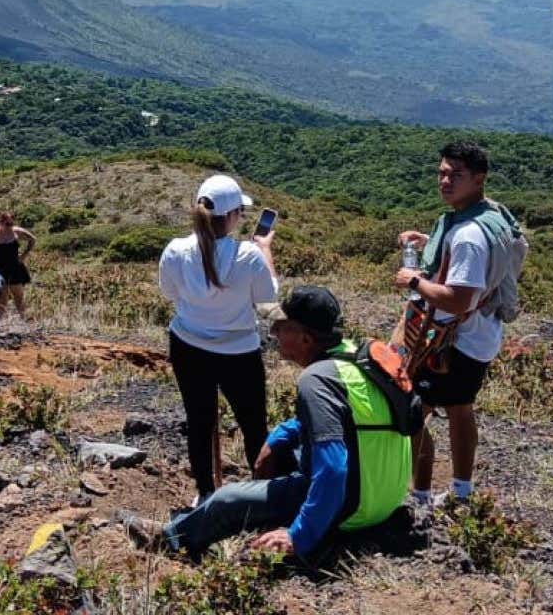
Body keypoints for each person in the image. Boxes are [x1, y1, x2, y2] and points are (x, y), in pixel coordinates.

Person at [123, 287, 413, 560]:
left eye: (282, 327)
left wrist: (299, 536)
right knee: (290, 454)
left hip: (352, 506)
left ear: (305, 339)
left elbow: (334, 469)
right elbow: (347, 420)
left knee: (227, 500)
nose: (273, 333)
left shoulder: (316, 381)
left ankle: (171, 541)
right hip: (384, 500)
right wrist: (278, 437)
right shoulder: (354, 359)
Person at [393, 142, 527, 506]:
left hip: (453, 341)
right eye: (442, 173)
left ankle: (420, 496)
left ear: (479, 179)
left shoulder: (467, 236)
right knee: (460, 407)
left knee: (414, 411)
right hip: (482, 334)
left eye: (456, 175)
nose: (445, 180)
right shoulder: (492, 216)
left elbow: (459, 298)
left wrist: (414, 281)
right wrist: (430, 241)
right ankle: (462, 492)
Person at [156, 175, 278, 501]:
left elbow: (169, 293)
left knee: (199, 420)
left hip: (187, 346)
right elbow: (268, 303)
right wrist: (265, 250)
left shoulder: (175, 251)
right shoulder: (249, 255)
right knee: (253, 425)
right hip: (239, 353)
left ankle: (206, 493)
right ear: (234, 215)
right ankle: (260, 496)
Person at [0, 212, 38, 318]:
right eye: (7, 224)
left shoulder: (16, 231)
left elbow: (32, 239)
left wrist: (24, 255)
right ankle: (0, 321)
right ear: (0, 223)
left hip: (14, 266)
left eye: (11, 224)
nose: (10, 226)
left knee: (18, 296)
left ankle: (24, 319)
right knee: (1, 297)